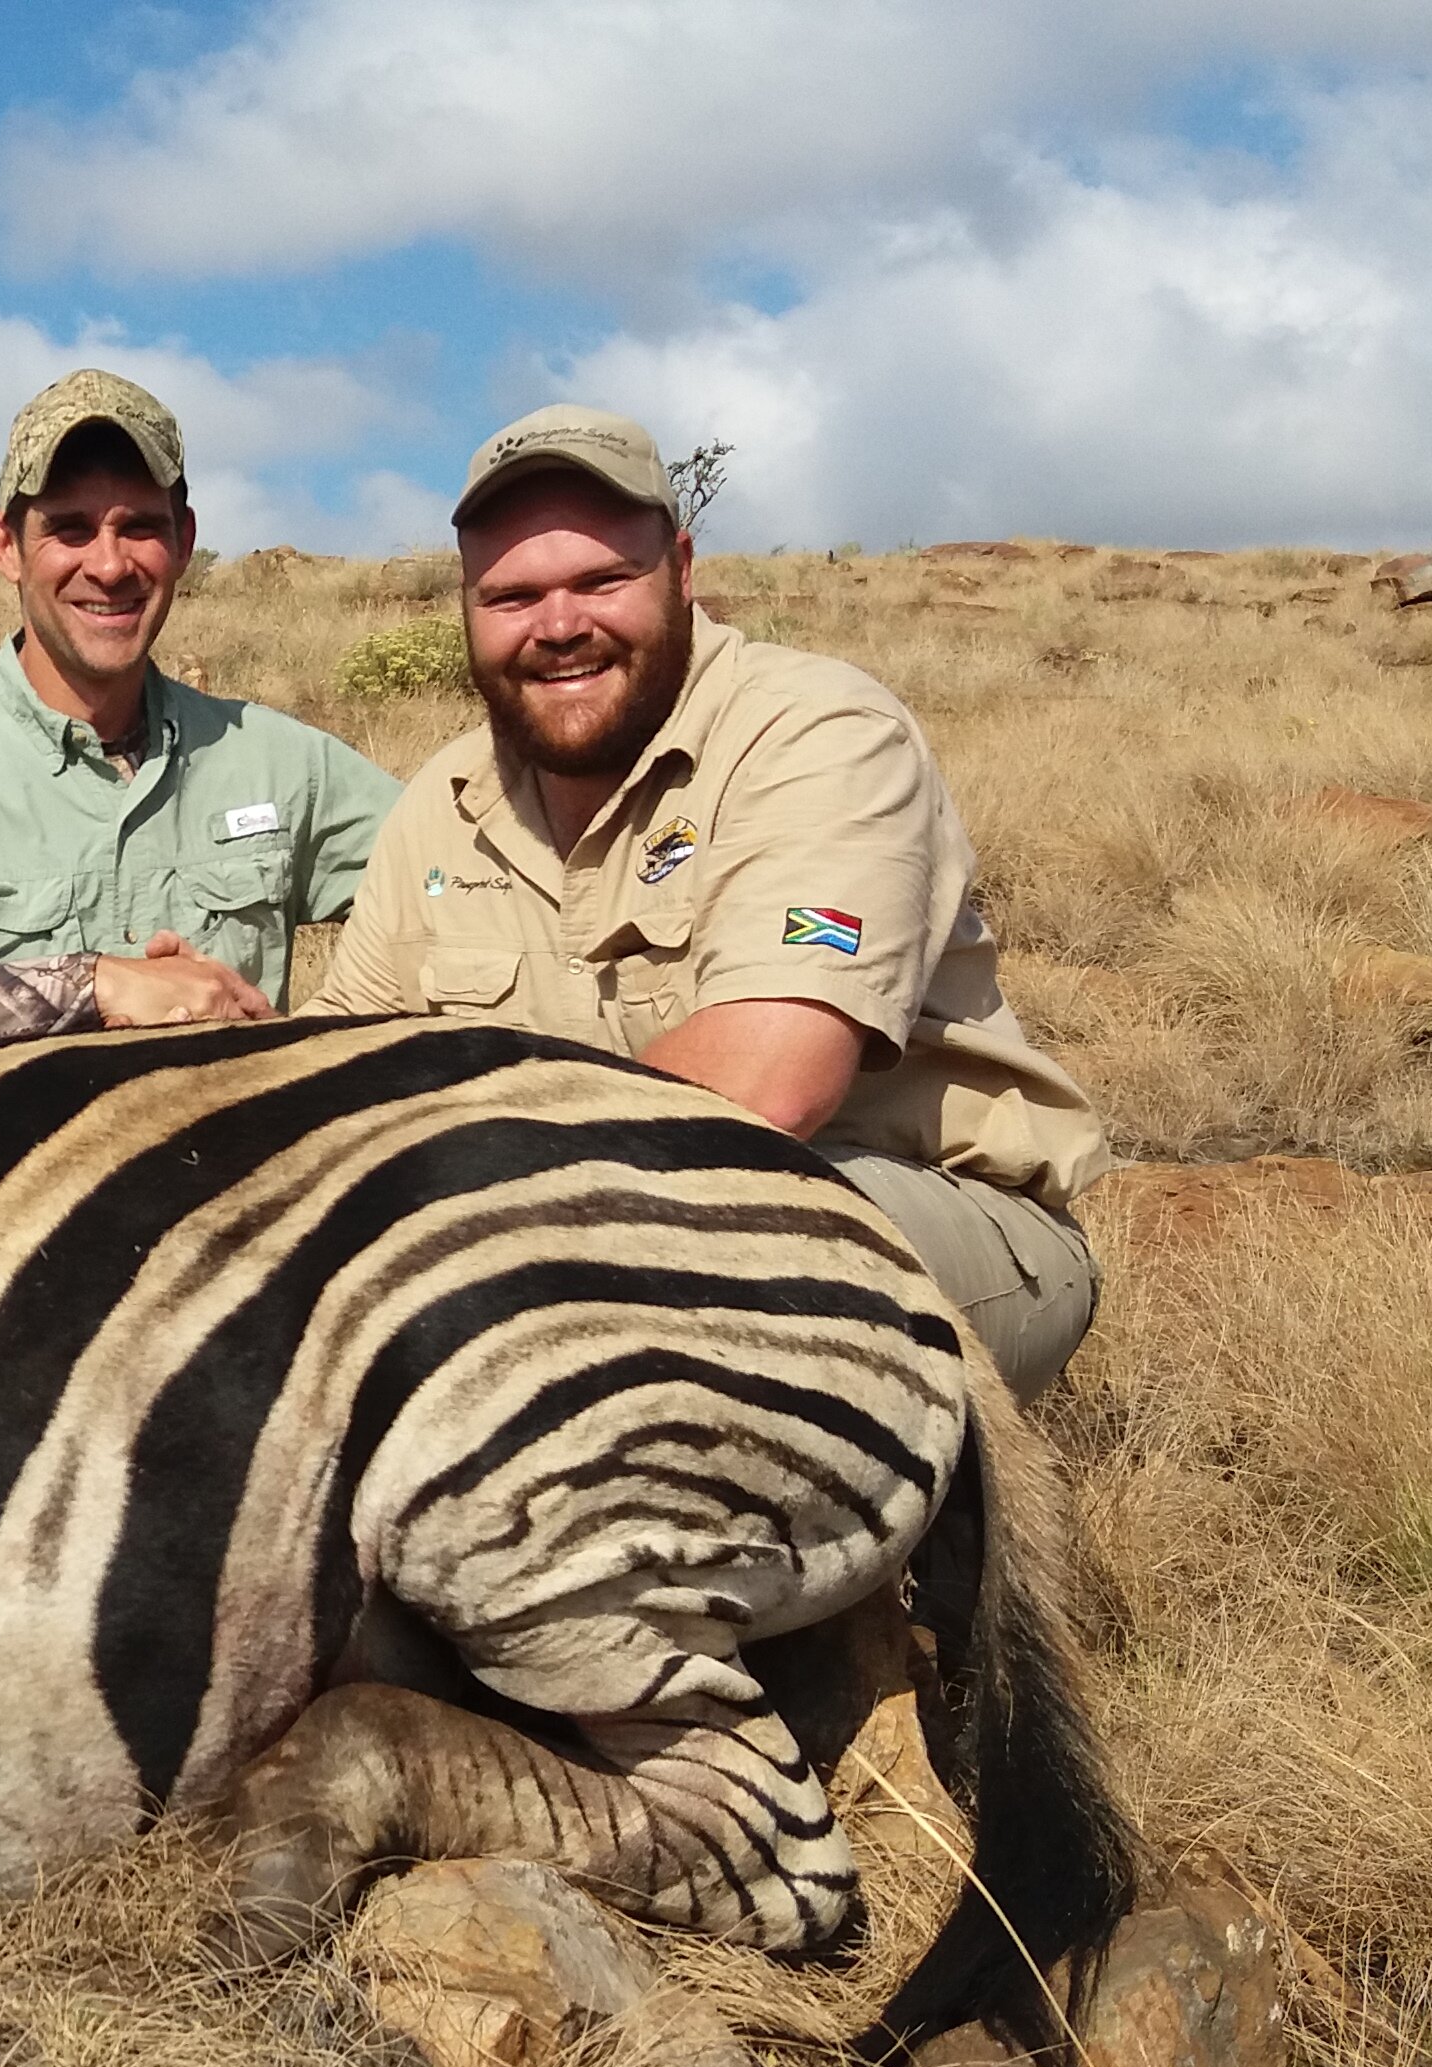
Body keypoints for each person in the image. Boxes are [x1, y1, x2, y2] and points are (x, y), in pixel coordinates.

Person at [312, 405, 1109, 1398]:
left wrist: (448, 1208)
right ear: (468, 613)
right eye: (512, 596)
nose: (559, 627)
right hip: (545, 1231)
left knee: (698, 1262)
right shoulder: (445, 799)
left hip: (904, 1207)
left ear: (681, 571)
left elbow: (765, 1088)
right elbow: (338, 1075)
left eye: (602, 581)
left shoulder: (822, 736)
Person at [0, 369, 397, 1063]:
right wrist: (96, 987)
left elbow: (457, 876)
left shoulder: (281, 762)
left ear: (183, 542)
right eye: (71, 530)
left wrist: (330, 1042)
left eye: (140, 528)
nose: (111, 565)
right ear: (6, 548)